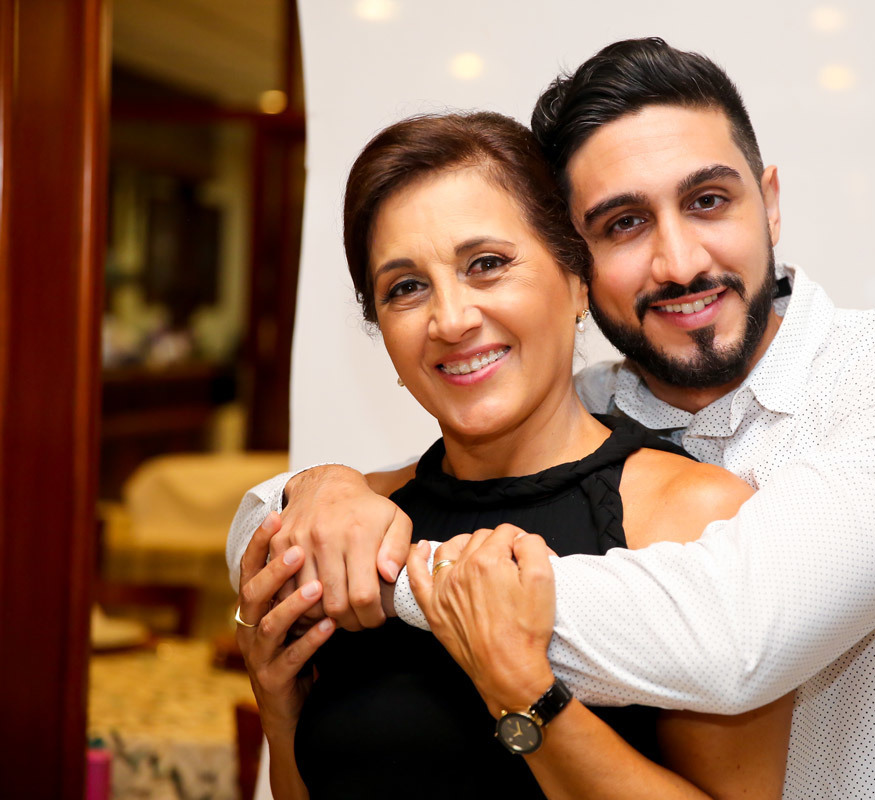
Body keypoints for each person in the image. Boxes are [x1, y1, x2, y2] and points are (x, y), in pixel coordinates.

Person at [229, 39, 875, 798]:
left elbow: (738, 633)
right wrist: (321, 496)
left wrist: (381, 578)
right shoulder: (577, 410)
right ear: (581, 264)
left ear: (770, 204)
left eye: (709, 201)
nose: (679, 262)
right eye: (624, 223)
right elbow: (288, 517)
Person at [233, 111, 793, 799]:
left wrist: (521, 688)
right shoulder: (347, 530)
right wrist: (282, 714)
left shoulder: (696, 518)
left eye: (487, 265)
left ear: (577, 280)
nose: (451, 320)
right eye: (406, 287)